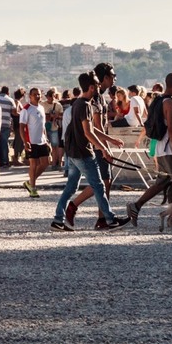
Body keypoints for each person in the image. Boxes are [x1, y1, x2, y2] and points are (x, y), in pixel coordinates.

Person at [51, 71, 131, 231]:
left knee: (71, 187)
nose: (98, 87)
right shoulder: (86, 105)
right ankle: (110, 220)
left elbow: (91, 128)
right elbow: (88, 133)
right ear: (91, 87)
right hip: (83, 153)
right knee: (99, 186)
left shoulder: (77, 104)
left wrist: (110, 140)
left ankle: (58, 220)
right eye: (96, 85)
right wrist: (103, 149)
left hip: (73, 153)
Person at [126, 72, 172, 228]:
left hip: (161, 149)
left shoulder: (159, 100)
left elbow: (165, 127)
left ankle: (136, 206)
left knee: (161, 183)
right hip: (169, 151)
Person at [20, 87, 50, 198]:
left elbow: (43, 125)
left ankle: (29, 182)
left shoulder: (41, 108)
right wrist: (25, 141)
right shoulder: (26, 109)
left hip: (41, 140)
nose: (37, 96)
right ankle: (33, 188)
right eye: (35, 94)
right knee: (33, 164)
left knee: (45, 163)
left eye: (38, 94)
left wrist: (46, 138)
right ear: (30, 96)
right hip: (31, 140)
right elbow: (22, 126)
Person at [43, 88, 64, 170]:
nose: (50, 98)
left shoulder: (58, 106)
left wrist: (56, 116)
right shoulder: (42, 104)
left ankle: (54, 163)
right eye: (49, 97)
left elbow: (62, 116)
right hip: (45, 127)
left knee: (55, 146)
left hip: (54, 127)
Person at [0, 86, 16, 168]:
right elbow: (14, 112)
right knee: (4, 143)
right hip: (6, 123)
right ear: (8, 92)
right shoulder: (10, 100)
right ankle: (5, 162)